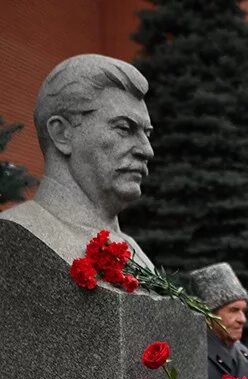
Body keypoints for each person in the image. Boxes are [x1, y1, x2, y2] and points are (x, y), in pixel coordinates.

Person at [0, 54, 154, 268]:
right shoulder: (16, 234)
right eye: (124, 128)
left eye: (147, 134)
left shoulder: (135, 253)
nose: (147, 150)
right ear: (62, 133)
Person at [189, 262, 248, 379]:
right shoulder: (195, 357)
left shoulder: (244, 352)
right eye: (233, 310)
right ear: (209, 315)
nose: (242, 319)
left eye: (243, 311)